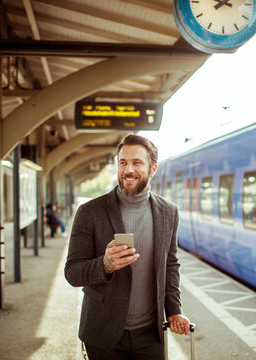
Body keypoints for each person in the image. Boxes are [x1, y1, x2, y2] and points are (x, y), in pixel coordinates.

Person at [65, 134, 190, 359]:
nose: (128, 170)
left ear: (153, 169)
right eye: (123, 162)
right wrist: (105, 265)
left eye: (137, 163)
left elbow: (170, 265)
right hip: (104, 335)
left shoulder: (168, 211)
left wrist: (174, 311)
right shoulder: (90, 212)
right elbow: (72, 273)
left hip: (151, 336)